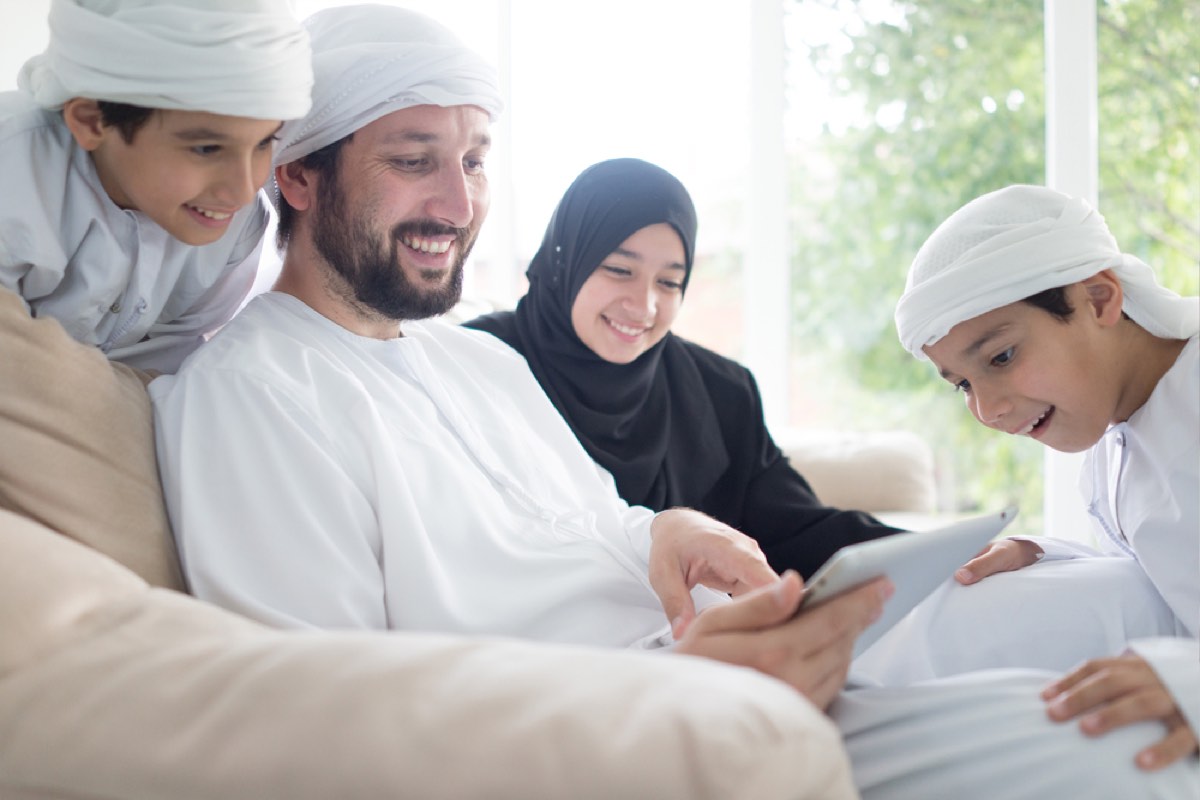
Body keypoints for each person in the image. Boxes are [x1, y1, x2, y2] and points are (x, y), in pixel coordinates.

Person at [150, 7, 1197, 798]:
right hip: (647, 732)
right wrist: (673, 684)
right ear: (298, 176)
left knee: (1106, 680)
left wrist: (673, 529)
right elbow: (312, 715)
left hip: (752, 675)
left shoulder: (474, 367)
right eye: (415, 163)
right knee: (1132, 752)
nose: (461, 203)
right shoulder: (251, 390)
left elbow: (603, 534)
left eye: (473, 161)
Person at [867, 184, 1198, 773]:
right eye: (963, 384)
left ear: (1099, 300)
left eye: (1000, 358)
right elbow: (1171, 574)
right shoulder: (1115, 429)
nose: (987, 409)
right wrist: (1051, 556)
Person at [464, 157, 897, 579]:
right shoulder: (477, 366)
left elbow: (797, 530)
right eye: (619, 270)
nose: (645, 305)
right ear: (566, 260)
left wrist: (941, 556)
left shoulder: (721, 390)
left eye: (669, 282)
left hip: (687, 639)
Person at [0, 0, 312, 373]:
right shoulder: (13, 171)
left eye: (263, 143)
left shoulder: (238, 224)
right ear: (91, 122)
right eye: (206, 148)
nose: (243, 191)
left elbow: (167, 372)